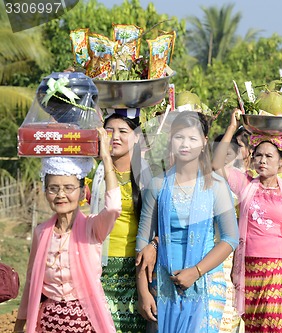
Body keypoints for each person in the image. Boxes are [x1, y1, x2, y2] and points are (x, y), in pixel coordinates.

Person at [136, 111, 239, 333]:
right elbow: (142, 239)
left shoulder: (217, 186)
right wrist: (143, 291)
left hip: (206, 281)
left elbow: (231, 238)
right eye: (179, 137)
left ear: (203, 143)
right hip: (163, 283)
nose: (185, 144)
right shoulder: (157, 185)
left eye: (192, 138)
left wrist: (196, 271)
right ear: (171, 140)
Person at [14, 128, 121, 333]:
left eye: (68, 188)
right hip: (48, 323)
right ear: (46, 192)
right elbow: (32, 281)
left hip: (85, 322)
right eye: (53, 188)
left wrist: (106, 157)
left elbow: (114, 207)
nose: (61, 195)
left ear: (82, 192)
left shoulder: (92, 228)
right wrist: (19, 326)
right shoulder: (41, 232)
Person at [215, 110, 282, 333]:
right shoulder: (246, 184)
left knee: (273, 326)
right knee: (253, 326)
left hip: (278, 268)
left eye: (269, 156)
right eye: (258, 155)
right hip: (249, 266)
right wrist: (231, 127)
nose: (262, 161)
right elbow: (216, 164)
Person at [88, 109, 151, 331]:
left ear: (137, 137)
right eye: (109, 131)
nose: (114, 137)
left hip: (135, 269)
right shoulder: (89, 175)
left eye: (122, 131)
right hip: (97, 269)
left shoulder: (148, 178)